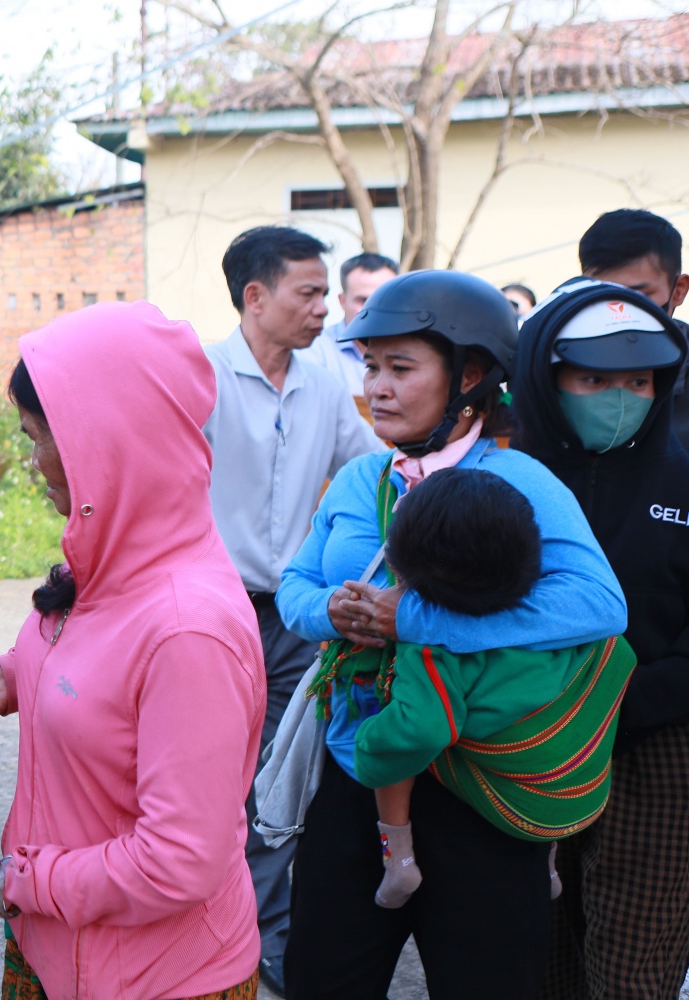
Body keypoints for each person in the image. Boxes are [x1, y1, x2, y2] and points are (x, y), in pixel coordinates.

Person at [0, 301, 266, 1000]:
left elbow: (179, 862)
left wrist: (9, 880)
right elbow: (106, 674)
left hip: (155, 979)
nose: (32, 462)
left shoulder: (189, 629)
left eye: (40, 439)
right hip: (54, 945)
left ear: (106, 444)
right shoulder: (119, 554)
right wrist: (11, 677)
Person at [275, 270, 627, 1000]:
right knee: (321, 978)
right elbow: (294, 587)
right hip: (358, 772)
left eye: (401, 368)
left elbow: (598, 604)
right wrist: (329, 612)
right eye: (371, 366)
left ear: (469, 377)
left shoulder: (522, 481)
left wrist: (411, 620)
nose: (377, 387)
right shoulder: (359, 479)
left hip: (479, 791)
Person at [207, 226, 382, 992]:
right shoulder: (201, 378)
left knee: (282, 775)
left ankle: (264, 933)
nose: (323, 310)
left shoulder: (323, 383)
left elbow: (373, 468)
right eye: (309, 293)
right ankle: (205, 917)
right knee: (208, 773)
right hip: (212, 617)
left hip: (294, 618)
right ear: (256, 296)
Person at [509, 278, 689, 1000]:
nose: (619, 397)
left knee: (634, 963)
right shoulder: (503, 480)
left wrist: (630, 698)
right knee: (537, 947)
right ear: (546, 379)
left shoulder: (682, 477)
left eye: (639, 381)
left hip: (658, 744)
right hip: (525, 739)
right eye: (594, 379)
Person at [342, 467, 631, 912]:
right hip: (578, 796)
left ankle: (398, 858)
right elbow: (620, 657)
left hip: (518, 807)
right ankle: (547, 865)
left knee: (397, 739)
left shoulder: (433, 653)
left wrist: (365, 741)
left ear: (402, 567)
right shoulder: (564, 625)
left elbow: (418, 731)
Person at [577, 208, 689, 452]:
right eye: (603, 294)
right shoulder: (562, 362)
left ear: (678, 291)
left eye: (638, 296)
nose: (619, 310)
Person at [299, 252, 400, 395]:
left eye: (384, 300)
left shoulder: (414, 352)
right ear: (342, 301)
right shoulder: (314, 351)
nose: (375, 310)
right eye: (363, 300)